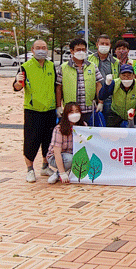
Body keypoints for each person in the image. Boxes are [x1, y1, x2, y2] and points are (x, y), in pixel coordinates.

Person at [13, 39, 58, 182]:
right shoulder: (25, 67)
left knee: (48, 140)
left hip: (50, 109)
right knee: (31, 140)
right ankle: (30, 169)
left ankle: (45, 166)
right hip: (33, 110)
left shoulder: (52, 66)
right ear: (32, 50)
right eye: (38, 47)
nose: (41, 50)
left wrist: (58, 106)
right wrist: (18, 81)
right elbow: (16, 87)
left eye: (44, 47)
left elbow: (56, 86)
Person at [56, 38, 103, 123]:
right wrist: (59, 106)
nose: (81, 52)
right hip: (71, 111)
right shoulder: (63, 67)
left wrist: (100, 102)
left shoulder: (92, 66)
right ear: (72, 51)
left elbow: (98, 85)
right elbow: (59, 87)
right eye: (78, 50)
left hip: (88, 109)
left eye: (83, 49)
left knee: (88, 134)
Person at [45, 102, 86, 184]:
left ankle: (63, 172)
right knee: (70, 159)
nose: (75, 114)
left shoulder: (83, 126)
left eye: (77, 111)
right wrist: (62, 173)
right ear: (66, 114)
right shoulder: (59, 129)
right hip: (56, 157)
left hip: (73, 154)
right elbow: (56, 152)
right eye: (71, 112)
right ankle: (60, 173)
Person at [88, 34, 119, 116]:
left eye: (107, 44)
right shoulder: (88, 60)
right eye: (102, 43)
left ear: (110, 46)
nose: (104, 46)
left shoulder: (115, 62)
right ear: (97, 45)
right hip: (92, 98)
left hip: (109, 99)